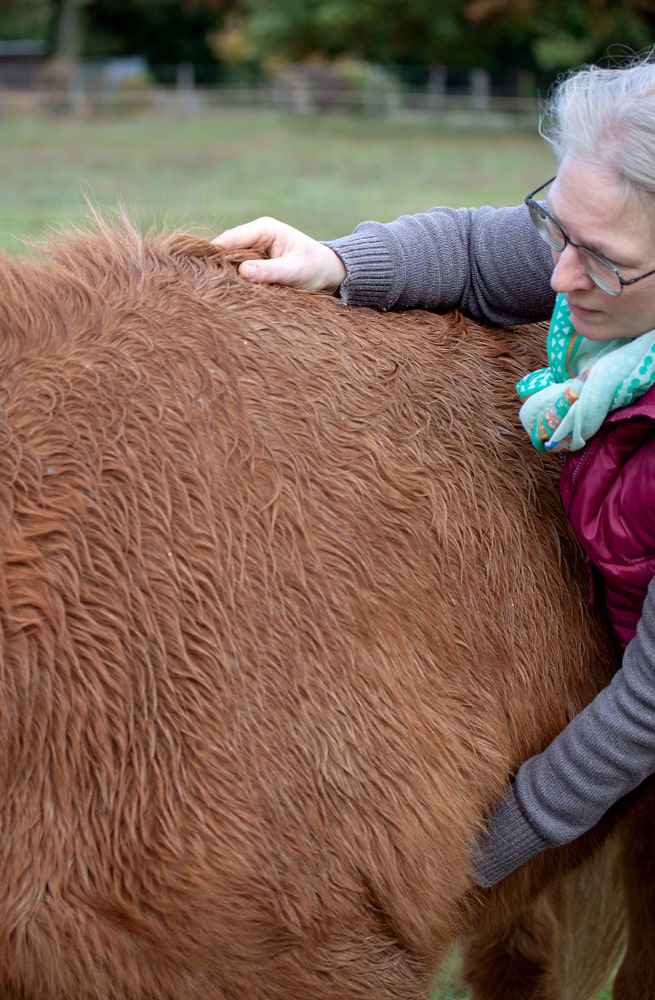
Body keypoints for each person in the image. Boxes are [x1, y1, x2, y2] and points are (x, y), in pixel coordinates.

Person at [213, 54, 655, 888]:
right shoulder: (610, 266)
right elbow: (480, 249)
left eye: (597, 258)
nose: (559, 279)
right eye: (557, 229)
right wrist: (337, 263)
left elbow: (645, 708)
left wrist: (492, 845)